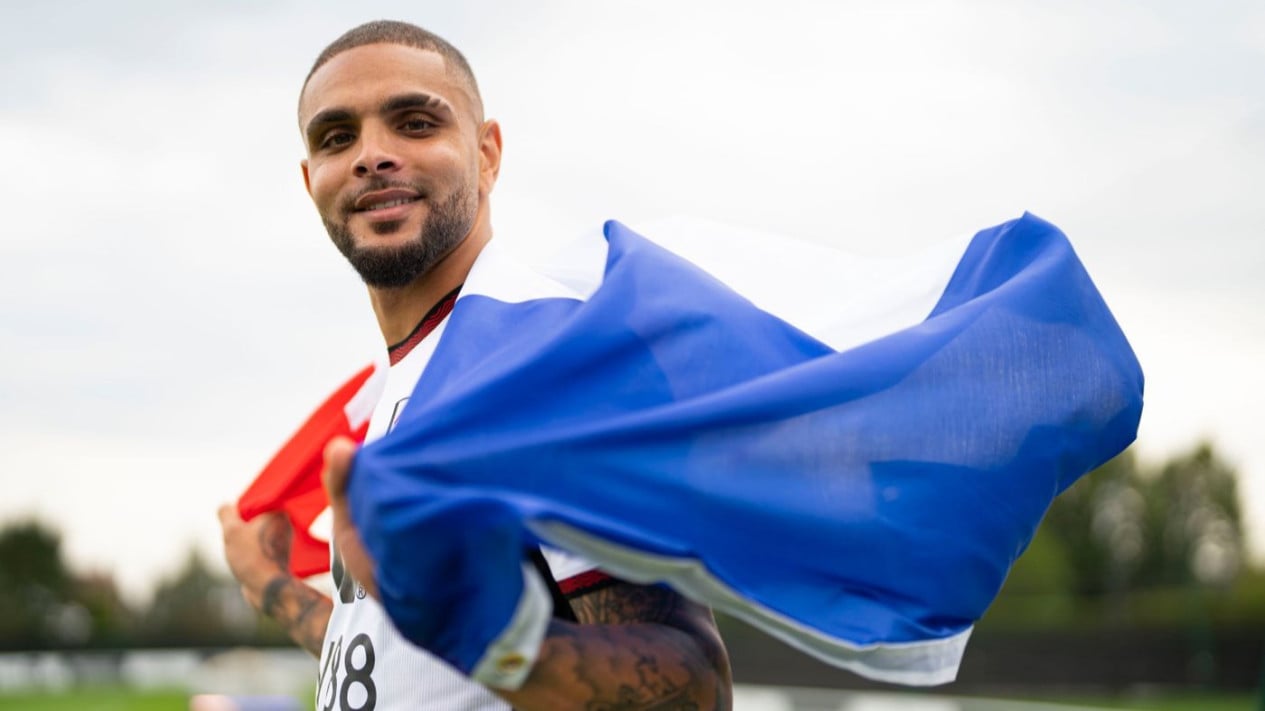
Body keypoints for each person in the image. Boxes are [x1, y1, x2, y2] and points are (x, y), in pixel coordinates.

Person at [217, 19, 733, 711]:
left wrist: (479, 637)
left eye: (414, 123)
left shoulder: (541, 363)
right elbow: (404, 668)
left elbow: (693, 687)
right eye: (336, 137)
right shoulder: (404, 380)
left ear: (487, 154)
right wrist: (274, 588)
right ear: (312, 181)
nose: (372, 155)